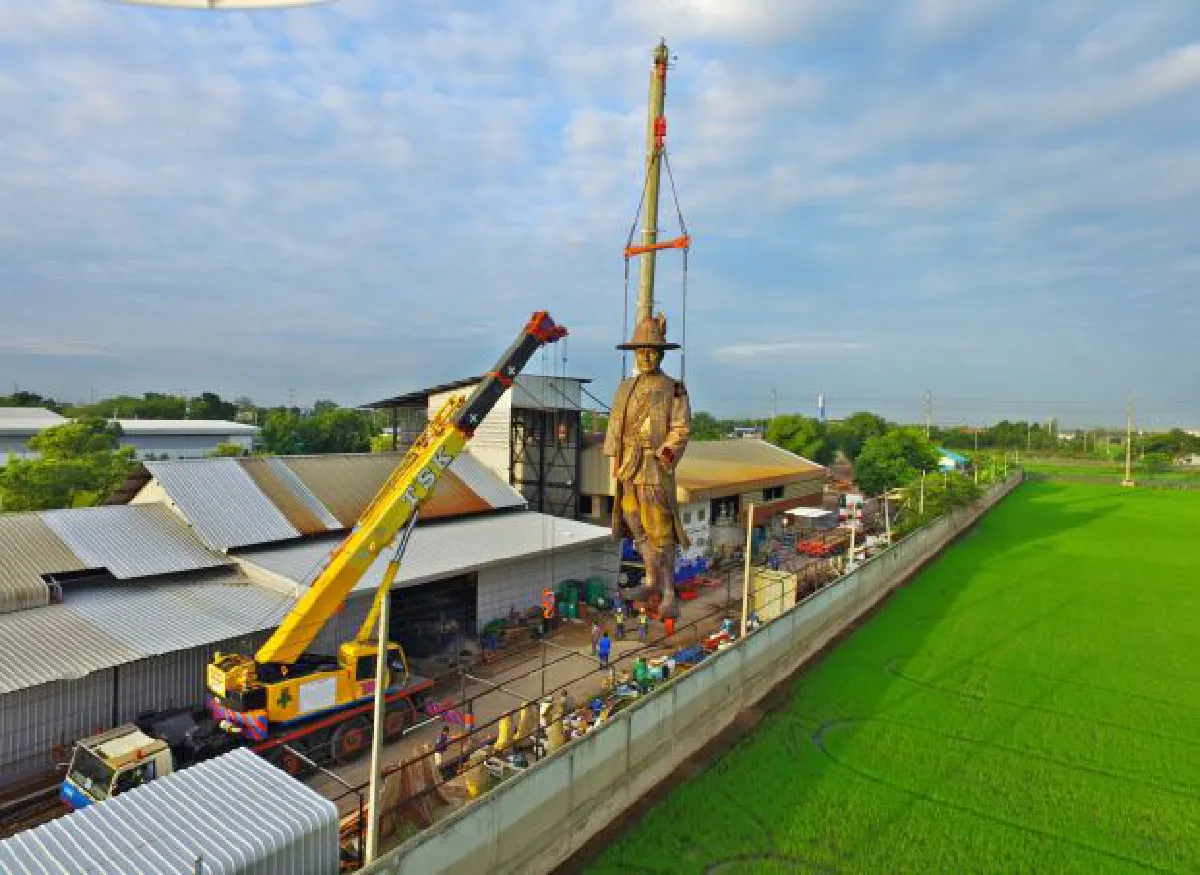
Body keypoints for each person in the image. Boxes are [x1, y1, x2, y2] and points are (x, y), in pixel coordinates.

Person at [604, 313, 691, 621]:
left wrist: (664, 454)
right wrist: (614, 461)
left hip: (654, 467)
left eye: (652, 350)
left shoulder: (673, 388)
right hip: (629, 466)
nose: (646, 356)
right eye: (641, 351)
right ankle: (651, 579)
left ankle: (668, 589)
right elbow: (615, 426)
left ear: (661, 353)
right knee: (633, 521)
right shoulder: (624, 387)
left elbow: (681, 427)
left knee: (660, 530)